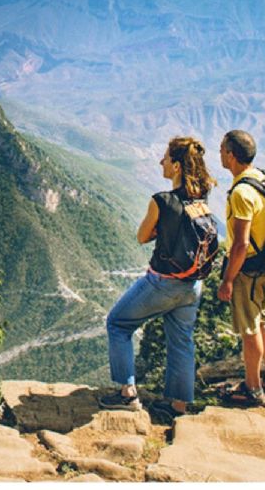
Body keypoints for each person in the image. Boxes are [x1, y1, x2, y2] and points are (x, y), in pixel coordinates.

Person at [100, 136, 216, 415]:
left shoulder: (161, 202)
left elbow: (142, 236)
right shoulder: (200, 198)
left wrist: (160, 229)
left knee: (117, 323)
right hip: (193, 285)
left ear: (176, 166)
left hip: (163, 283)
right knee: (181, 340)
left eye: (165, 158)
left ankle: (128, 396)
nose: (160, 162)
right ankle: (178, 406)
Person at [216, 129, 265, 405]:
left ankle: (253, 387)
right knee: (261, 321)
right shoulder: (261, 178)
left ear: (232, 155)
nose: (220, 154)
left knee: (249, 329)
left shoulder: (242, 193)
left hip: (247, 268)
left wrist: (228, 279)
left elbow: (240, 244)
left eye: (222, 150)